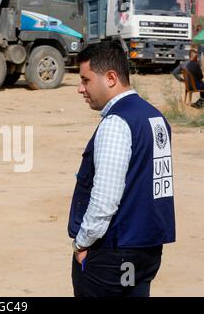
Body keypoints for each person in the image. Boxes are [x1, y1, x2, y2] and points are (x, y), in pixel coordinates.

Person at [68, 41, 175, 297]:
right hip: (147, 249)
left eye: (86, 79)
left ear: (111, 78)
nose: (80, 88)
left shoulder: (117, 122)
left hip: (113, 251)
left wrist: (82, 244)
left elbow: (105, 198)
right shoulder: (155, 117)